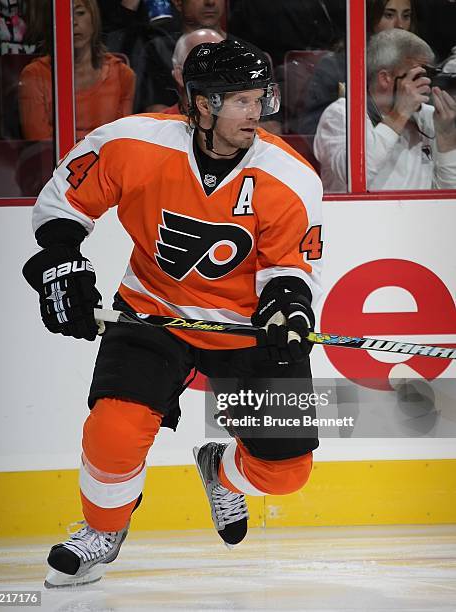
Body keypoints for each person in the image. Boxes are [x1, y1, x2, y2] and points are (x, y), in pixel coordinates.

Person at [22, 39, 323, 588]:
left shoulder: (290, 176)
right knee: (113, 429)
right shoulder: (132, 142)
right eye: (240, 100)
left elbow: (290, 265)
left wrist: (290, 306)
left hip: (244, 329)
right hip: (151, 312)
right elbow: (62, 201)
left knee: (286, 473)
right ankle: (102, 531)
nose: (256, 113)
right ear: (201, 104)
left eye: (261, 98)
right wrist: (61, 262)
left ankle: (222, 474)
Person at [313, 28, 456, 192]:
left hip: (420, 216)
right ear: (385, 78)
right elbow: (355, 176)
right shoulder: (342, 114)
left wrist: (447, 138)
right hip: (359, 216)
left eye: (428, 76)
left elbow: (448, 198)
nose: (425, 85)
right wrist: (399, 116)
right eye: (417, 76)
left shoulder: (428, 116)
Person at [18, 0, 136, 140]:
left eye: (80, 13)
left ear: (94, 19)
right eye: (66, 15)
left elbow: (123, 139)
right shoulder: (34, 75)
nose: (73, 22)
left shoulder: (123, 75)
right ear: (51, 24)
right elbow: (39, 142)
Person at [297, 0, 417, 137]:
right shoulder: (335, 67)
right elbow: (313, 131)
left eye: (406, 16)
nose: (400, 25)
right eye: (389, 15)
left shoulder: (416, 67)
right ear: (370, 19)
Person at [136, 0, 227, 112]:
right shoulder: (157, 49)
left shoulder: (246, 50)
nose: (210, 2)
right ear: (178, 2)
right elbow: (156, 113)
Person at [163, 27, 224, 114]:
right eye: (205, 62)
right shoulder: (155, 125)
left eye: (221, 61)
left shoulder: (246, 121)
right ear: (180, 75)